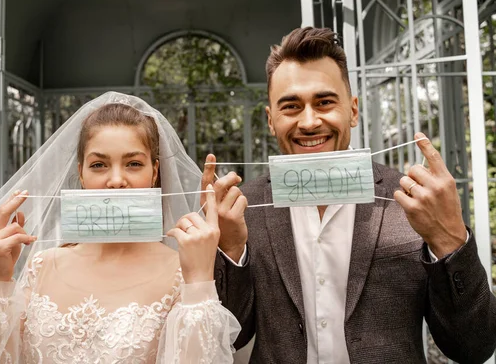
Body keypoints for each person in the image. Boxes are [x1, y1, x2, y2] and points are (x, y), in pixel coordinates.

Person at [205, 27, 496, 363]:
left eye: (325, 102)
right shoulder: (244, 208)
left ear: (353, 110)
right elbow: (231, 338)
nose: (310, 121)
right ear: (271, 120)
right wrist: (229, 250)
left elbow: (474, 346)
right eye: (291, 106)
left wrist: (450, 240)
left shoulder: (411, 201)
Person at [0, 92, 240, 363]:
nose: (116, 181)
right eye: (99, 165)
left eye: (133, 163)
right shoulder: (42, 265)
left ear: (154, 172)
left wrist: (199, 281)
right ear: (81, 173)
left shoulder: (182, 273)